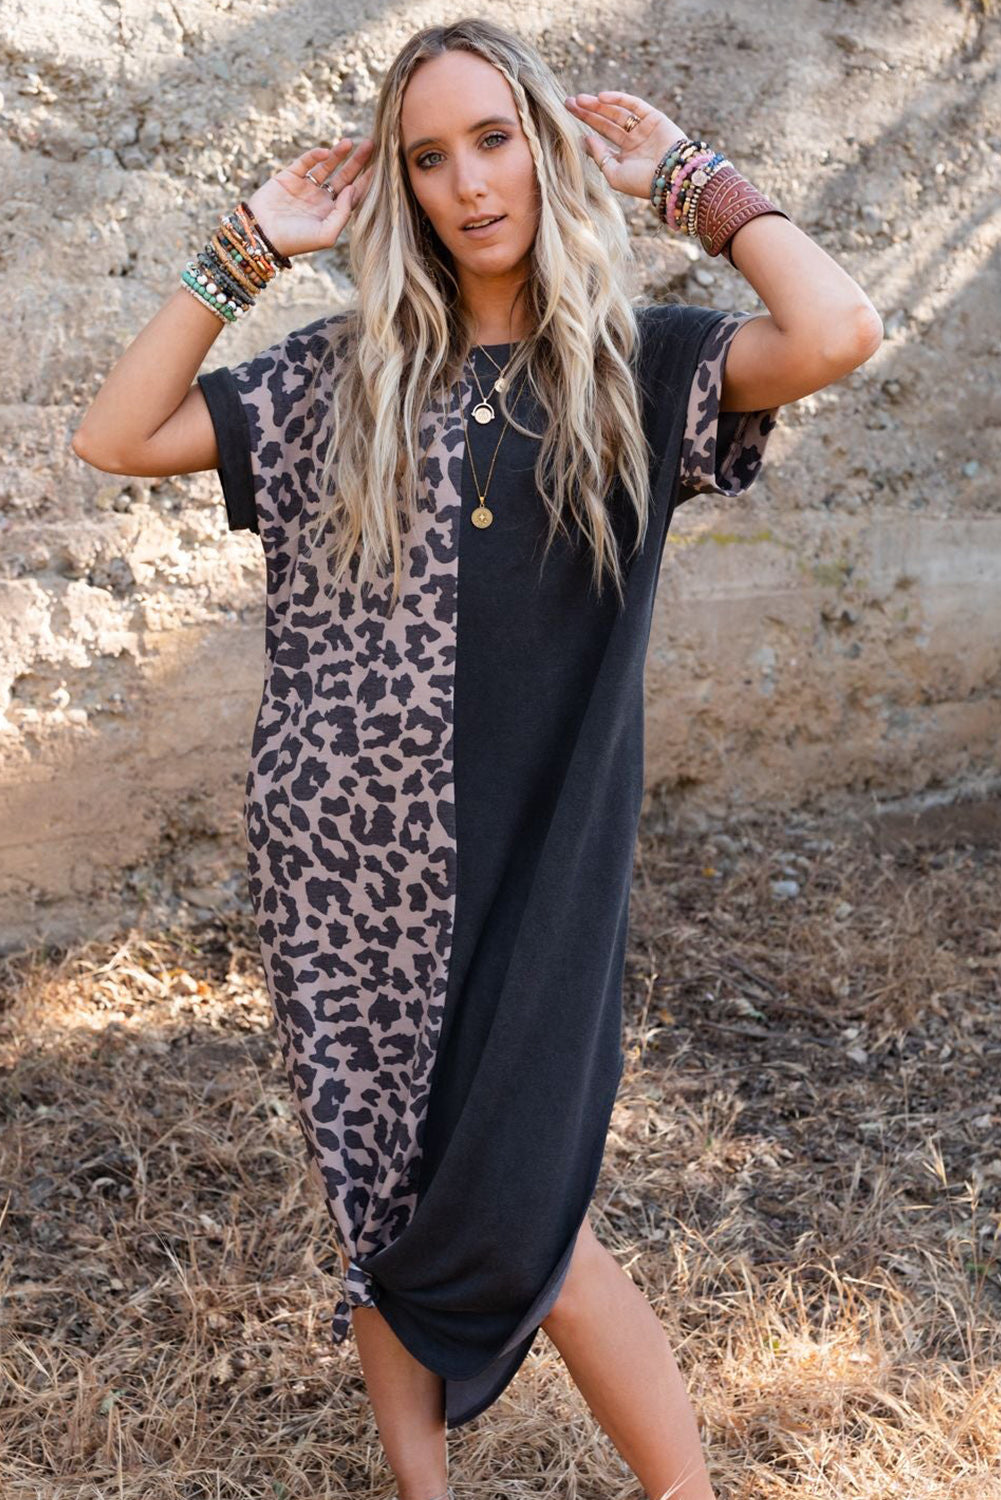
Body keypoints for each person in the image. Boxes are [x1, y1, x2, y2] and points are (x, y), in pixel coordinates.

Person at [71, 17, 883, 1500]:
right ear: (400, 186)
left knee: (528, 1208)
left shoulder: (641, 364)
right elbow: (116, 436)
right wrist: (248, 244)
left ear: (545, 149)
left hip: (540, 866)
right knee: (383, 1202)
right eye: (428, 157)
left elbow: (835, 331)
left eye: (494, 139)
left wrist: (696, 184)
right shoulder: (344, 378)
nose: (467, 183)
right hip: (348, 864)